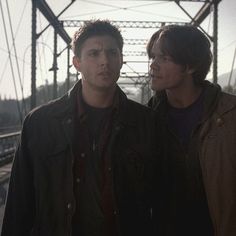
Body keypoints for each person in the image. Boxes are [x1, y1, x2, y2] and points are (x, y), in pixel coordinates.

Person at [1, 20, 157, 236]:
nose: (105, 61)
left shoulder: (146, 122)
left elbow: (163, 201)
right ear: (77, 63)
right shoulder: (39, 123)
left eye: (112, 53)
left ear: (121, 60)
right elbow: (19, 205)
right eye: (94, 53)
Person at [147, 24, 236, 236]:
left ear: (190, 66)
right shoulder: (146, 120)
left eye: (164, 58)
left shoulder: (231, 115)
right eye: (153, 57)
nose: (153, 65)